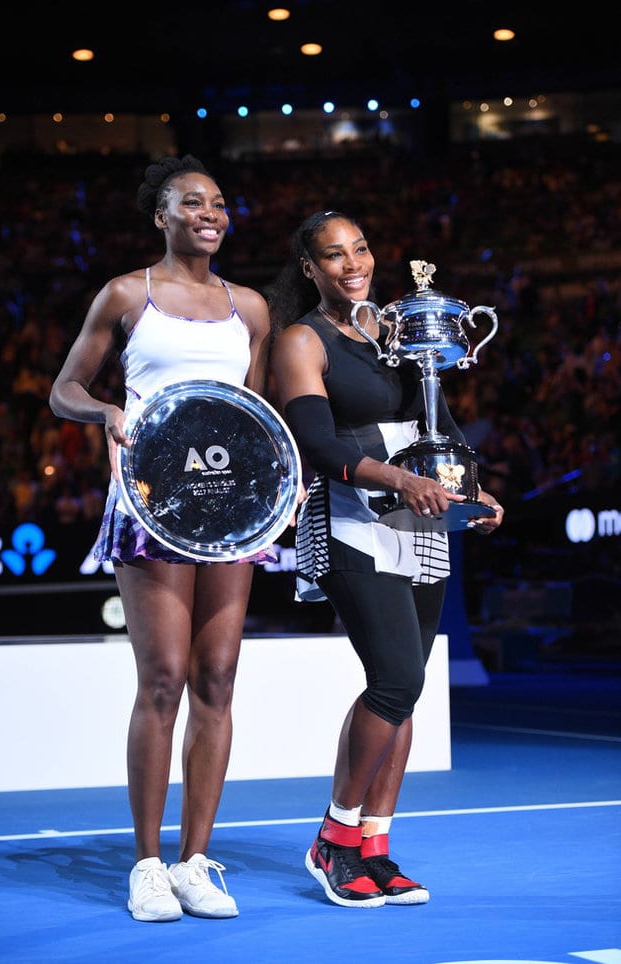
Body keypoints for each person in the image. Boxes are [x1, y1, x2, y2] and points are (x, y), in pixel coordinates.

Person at [49, 154, 271, 922]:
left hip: (229, 511)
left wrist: (277, 487)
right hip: (152, 505)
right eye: (192, 203)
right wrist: (106, 412)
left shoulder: (251, 307)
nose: (210, 214)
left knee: (217, 677)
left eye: (218, 203)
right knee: (164, 678)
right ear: (161, 216)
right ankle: (146, 865)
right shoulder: (126, 294)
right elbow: (64, 389)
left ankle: (194, 863)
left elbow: (255, 415)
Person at [268, 210, 504, 909]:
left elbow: (437, 422)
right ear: (310, 268)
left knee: (405, 690)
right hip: (352, 521)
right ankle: (333, 839)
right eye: (334, 255)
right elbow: (318, 444)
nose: (353, 264)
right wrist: (400, 479)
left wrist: (474, 488)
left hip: (420, 518)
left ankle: (374, 846)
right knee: (396, 680)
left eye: (361, 249)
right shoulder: (301, 340)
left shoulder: (395, 330)